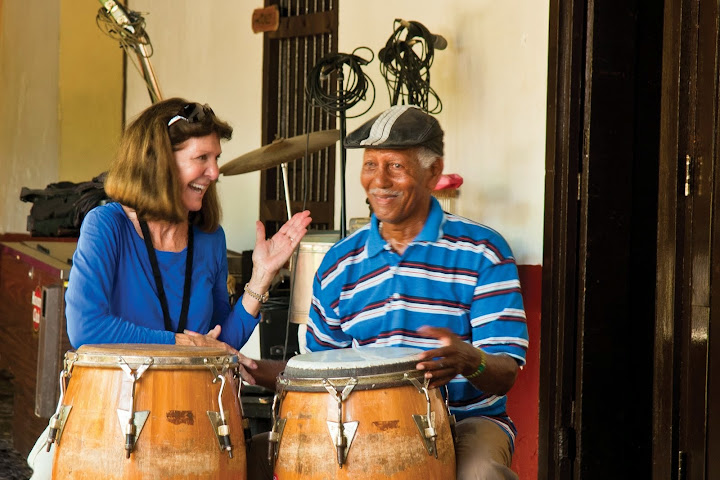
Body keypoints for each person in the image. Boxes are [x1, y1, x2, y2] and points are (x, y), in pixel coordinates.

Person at [27, 97, 312, 478]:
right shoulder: (106, 225)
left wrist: (261, 276)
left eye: (216, 158)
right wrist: (182, 345)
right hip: (108, 418)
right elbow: (87, 329)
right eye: (202, 158)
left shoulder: (209, 239)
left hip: (190, 420)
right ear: (159, 162)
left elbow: (220, 342)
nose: (214, 172)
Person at [304, 105, 529, 480]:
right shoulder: (338, 263)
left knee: (482, 475)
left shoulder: (483, 252)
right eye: (370, 165)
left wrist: (468, 360)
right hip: (365, 426)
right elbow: (323, 368)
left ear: (434, 173)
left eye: (395, 166)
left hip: (465, 422)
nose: (379, 181)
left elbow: (505, 372)